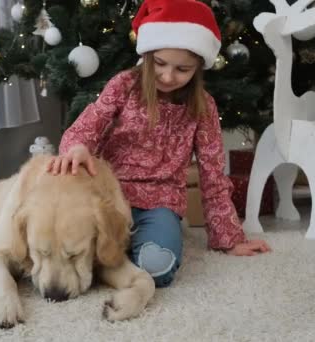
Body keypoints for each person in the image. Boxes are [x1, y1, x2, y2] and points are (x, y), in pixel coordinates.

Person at [47, 0, 271, 288]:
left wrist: (229, 239)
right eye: (160, 64)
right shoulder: (123, 85)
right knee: (71, 253)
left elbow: (213, 175)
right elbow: (89, 124)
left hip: (160, 204)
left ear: (198, 68)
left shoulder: (204, 107)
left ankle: (130, 251)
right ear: (148, 54)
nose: (167, 76)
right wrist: (78, 147)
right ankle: (114, 253)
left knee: (158, 270)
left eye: (182, 69)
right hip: (108, 194)